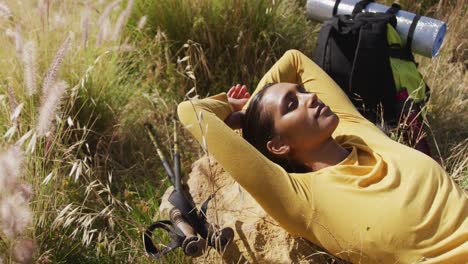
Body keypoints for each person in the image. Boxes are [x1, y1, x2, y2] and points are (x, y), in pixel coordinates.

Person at [177, 50, 467, 263]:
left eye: (302, 92)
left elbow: (294, 60)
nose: (311, 97)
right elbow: (190, 112)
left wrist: (254, 104)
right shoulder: (301, 198)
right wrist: (237, 110)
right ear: (277, 146)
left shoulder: (360, 134)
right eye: (292, 104)